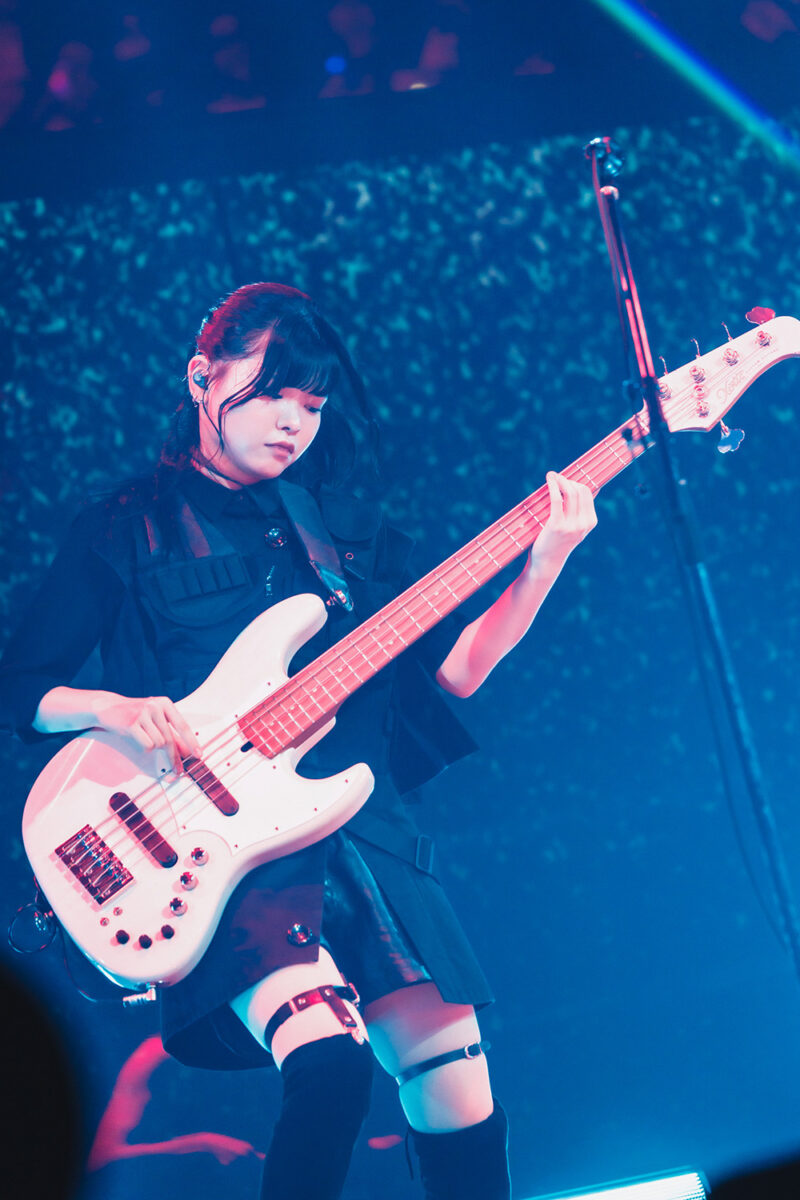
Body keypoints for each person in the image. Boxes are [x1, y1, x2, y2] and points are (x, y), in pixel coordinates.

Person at [0, 282, 597, 1199]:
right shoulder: (126, 525)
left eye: (312, 405)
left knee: (458, 1096)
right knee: (330, 1064)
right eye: (272, 392)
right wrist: (114, 709)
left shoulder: (340, 531)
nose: (293, 422)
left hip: (364, 840)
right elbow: (22, 687)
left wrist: (545, 559)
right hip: (212, 851)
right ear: (202, 376)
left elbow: (456, 671)